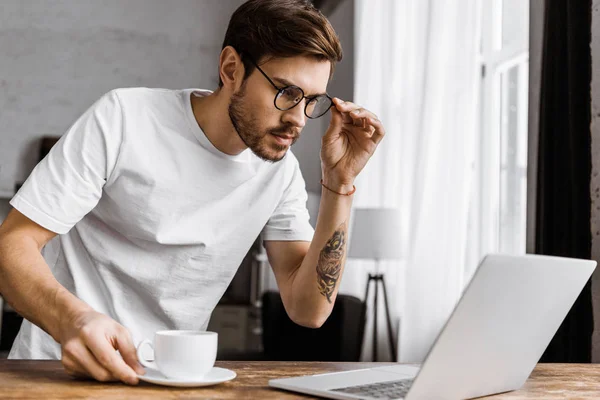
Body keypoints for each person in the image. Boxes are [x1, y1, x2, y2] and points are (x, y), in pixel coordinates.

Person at [0, 0, 384, 385]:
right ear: (231, 68)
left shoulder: (279, 173)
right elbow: (11, 246)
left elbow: (309, 310)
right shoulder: (124, 118)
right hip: (56, 371)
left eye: (311, 101)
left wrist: (339, 183)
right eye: (286, 92)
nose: (297, 119)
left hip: (171, 381)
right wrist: (73, 320)